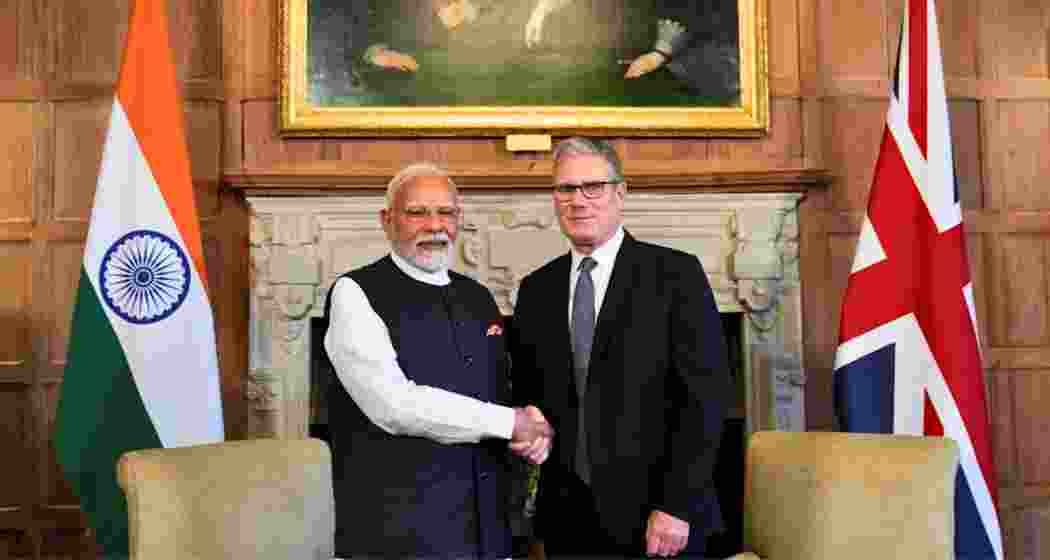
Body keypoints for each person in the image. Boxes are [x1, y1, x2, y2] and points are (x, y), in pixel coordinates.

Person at [509, 138, 729, 558]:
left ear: (620, 193)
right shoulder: (536, 289)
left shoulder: (674, 275)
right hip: (570, 520)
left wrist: (675, 506)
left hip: (659, 519)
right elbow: (529, 391)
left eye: (593, 187)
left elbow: (706, 399)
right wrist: (529, 416)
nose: (579, 201)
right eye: (566, 189)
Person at [323, 162, 553, 559]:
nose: (434, 225)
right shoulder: (354, 292)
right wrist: (510, 422)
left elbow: (500, 396)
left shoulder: (478, 298)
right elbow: (394, 405)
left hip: (486, 529)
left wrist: (534, 434)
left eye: (445, 212)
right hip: (397, 534)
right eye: (417, 212)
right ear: (387, 219)